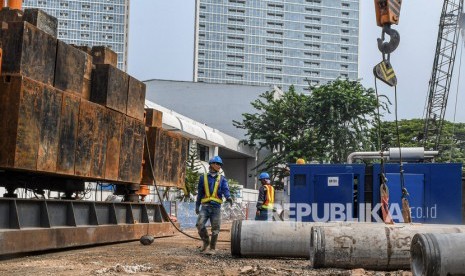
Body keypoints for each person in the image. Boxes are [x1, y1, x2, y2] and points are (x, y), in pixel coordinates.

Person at [195, 155, 233, 254]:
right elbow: (200, 193)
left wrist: (228, 197)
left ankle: (212, 248)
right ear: (212, 164)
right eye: (218, 164)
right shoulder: (203, 178)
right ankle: (206, 241)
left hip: (216, 208)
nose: (219, 166)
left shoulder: (222, 179)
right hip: (205, 207)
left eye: (220, 164)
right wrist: (197, 205)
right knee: (199, 225)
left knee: (215, 229)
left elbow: (225, 189)